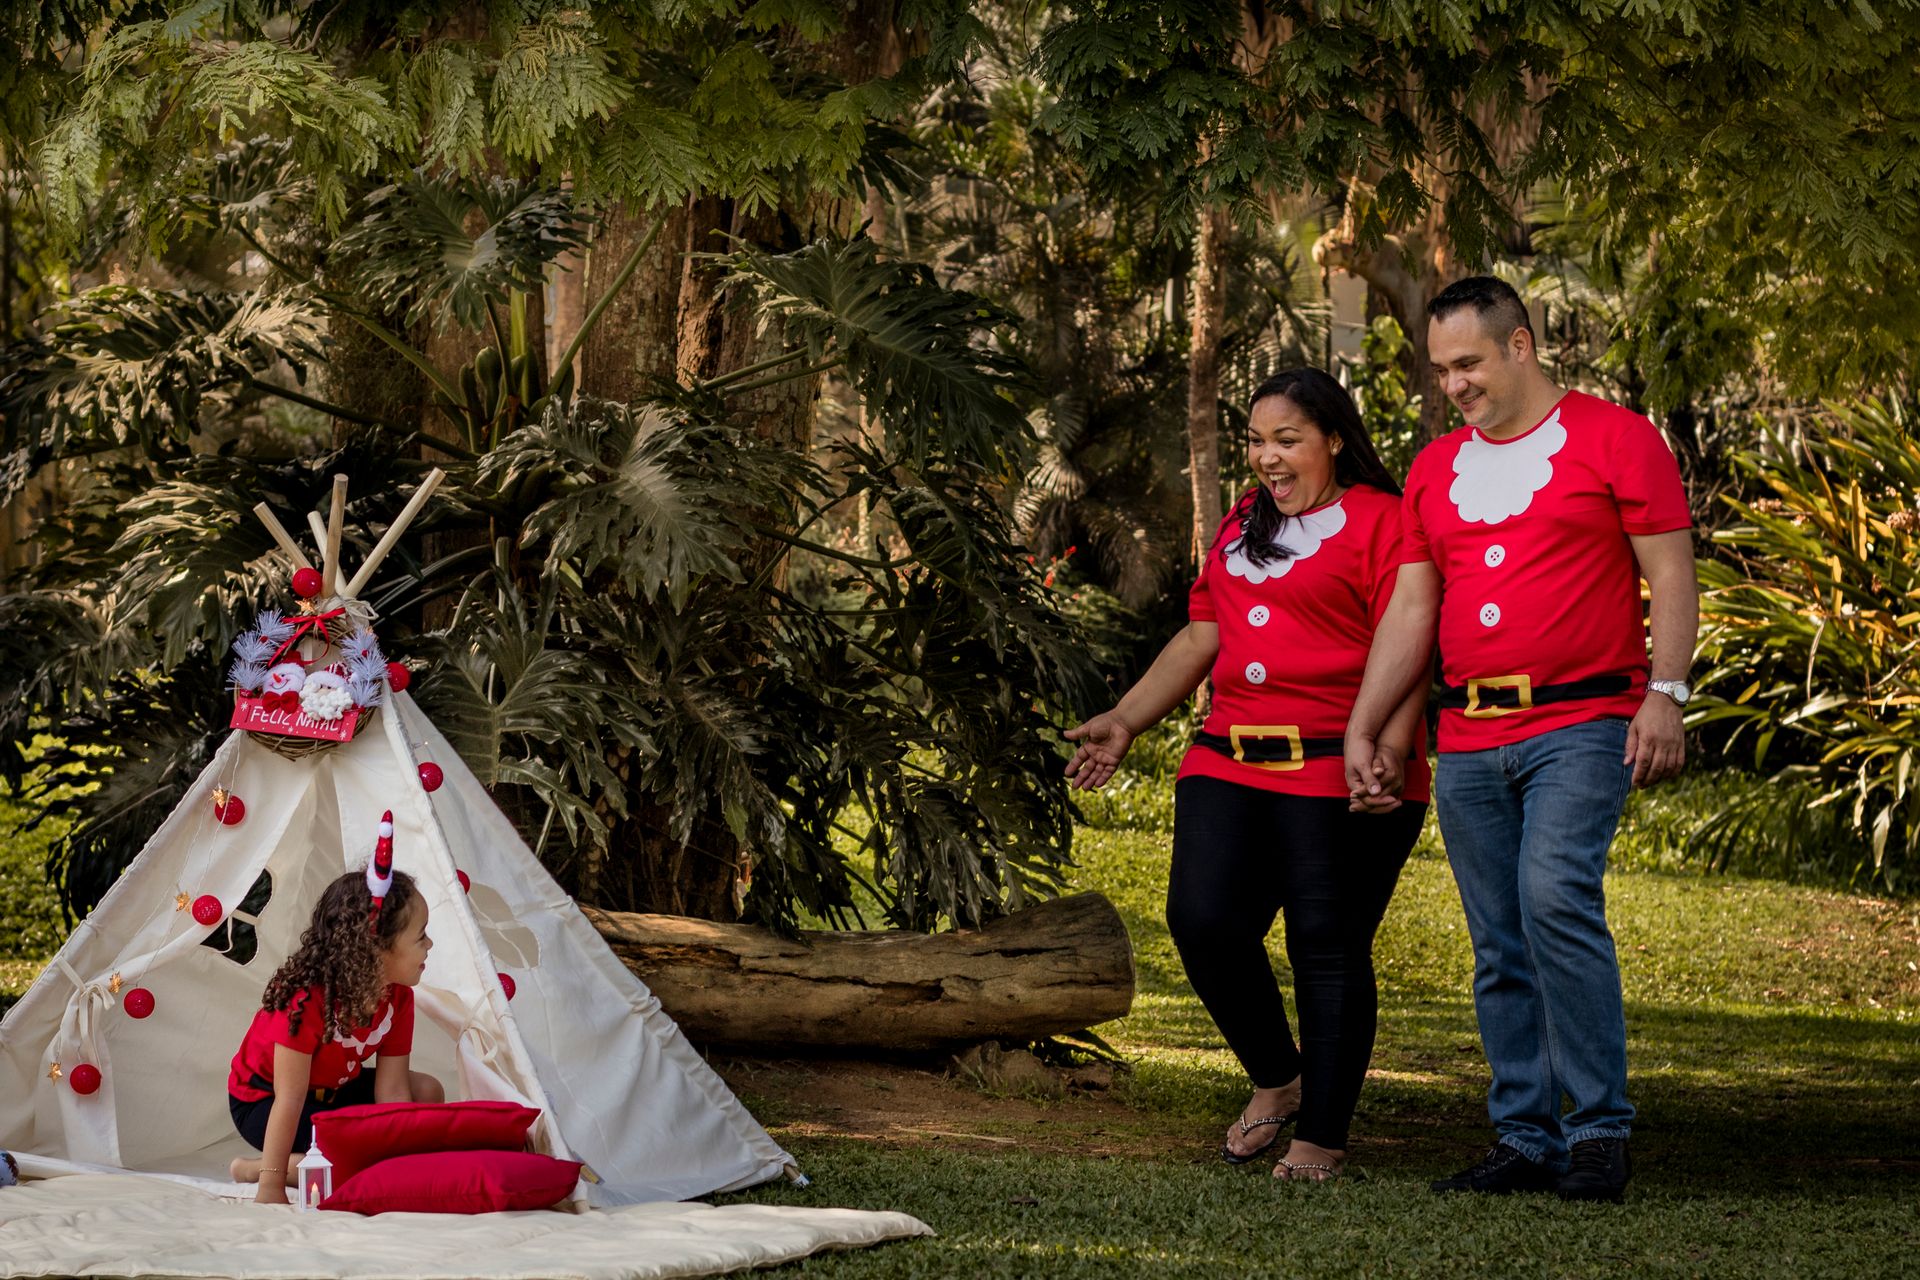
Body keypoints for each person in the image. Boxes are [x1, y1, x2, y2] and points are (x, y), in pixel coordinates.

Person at [1344, 275, 1697, 1203]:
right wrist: (1370, 723)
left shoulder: (1617, 438)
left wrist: (1667, 694)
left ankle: (1598, 1133)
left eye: (1468, 363)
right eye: (1441, 369)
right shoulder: (1432, 469)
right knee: (1499, 937)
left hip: (1584, 719)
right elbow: (1416, 606)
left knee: (1553, 896)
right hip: (1465, 730)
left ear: (1522, 346)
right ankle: (1524, 1136)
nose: (1453, 384)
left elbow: (1671, 570)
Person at [1064, 367, 1429, 1182]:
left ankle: (1321, 1136)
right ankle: (1278, 1075)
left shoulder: (1385, 522)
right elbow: (1202, 636)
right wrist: (1125, 720)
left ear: (1334, 438)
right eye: (1257, 441)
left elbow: (1409, 647)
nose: (1267, 457)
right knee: (1203, 923)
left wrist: (1392, 748)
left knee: (1326, 948)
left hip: (1340, 765)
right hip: (1227, 757)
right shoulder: (1240, 524)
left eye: (1286, 440)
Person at [226, 816, 443, 1204]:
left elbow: (392, 1091)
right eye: (421, 935)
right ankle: (257, 1169)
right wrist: (270, 1190)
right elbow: (288, 1099)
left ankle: (353, 1159)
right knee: (342, 1164)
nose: (430, 945)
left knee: (426, 1090)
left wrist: (404, 1158)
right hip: (264, 1102)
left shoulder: (398, 999)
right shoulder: (304, 1002)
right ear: (377, 949)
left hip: (331, 1095)